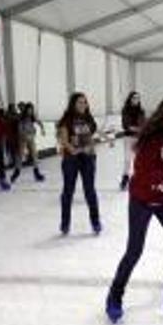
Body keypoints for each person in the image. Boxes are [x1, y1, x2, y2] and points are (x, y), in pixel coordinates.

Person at [106, 92, 163, 324]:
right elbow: (147, 176)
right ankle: (115, 296)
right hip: (142, 199)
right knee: (134, 250)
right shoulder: (152, 138)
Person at [57, 93, 101, 235]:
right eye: (80, 102)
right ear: (73, 104)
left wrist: (91, 147)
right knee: (68, 191)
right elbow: (64, 140)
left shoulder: (89, 118)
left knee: (90, 190)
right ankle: (65, 223)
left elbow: (91, 137)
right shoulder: (67, 120)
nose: (83, 105)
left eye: (85, 102)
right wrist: (74, 150)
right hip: (71, 159)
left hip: (88, 158)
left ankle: (95, 221)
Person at [120, 91, 146, 191]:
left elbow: (143, 123)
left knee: (138, 159)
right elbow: (125, 125)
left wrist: (142, 129)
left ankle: (138, 179)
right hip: (128, 138)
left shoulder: (141, 111)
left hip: (139, 138)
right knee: (127, 159)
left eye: (138, 98)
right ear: (130, 99)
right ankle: (125, 178)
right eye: (134, 98)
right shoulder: (126, 110)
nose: (136, 100)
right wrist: (135, 129)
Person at [19, 102, 46, 181]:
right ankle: (16, 172)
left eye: (31, 109)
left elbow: (39, 122)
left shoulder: (32, 117)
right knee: (21, 155)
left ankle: (36, 173)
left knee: (35, 155)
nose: (30, 111)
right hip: (23, 139)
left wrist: (42, 129)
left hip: (31, 138)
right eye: (29, 109)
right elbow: (20, 128)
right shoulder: (22, 117)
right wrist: (24, 135)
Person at [5, 103, 22, 182]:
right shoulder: (10, 116)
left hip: (15, 138)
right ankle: (15, 168)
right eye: (13, 108)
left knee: (16, 155)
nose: (15, 109)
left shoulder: (14, 115)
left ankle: (16, 168)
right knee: (15, 154)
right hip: (12, 139)